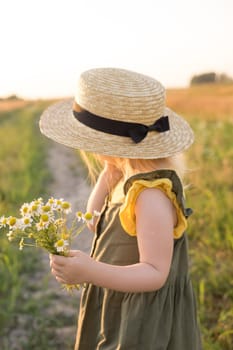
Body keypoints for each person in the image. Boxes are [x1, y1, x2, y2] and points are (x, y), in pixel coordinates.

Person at [40, 68, 202, 349]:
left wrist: (90, 271)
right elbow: (95, 220)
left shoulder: (150, 195)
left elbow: (154, 273)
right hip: (120, 301)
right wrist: (108, 172)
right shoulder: (121, 176)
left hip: (142, 320)